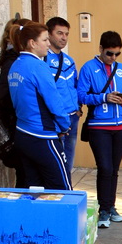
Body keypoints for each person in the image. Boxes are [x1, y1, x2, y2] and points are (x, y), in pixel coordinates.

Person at [77, 31, 122, 228]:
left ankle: (111, 207)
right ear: (101, 49)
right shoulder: (88, 68)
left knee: (114, 169)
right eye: (110, 53)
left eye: (117, 54)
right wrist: (104, 97)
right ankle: (103, 209)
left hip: (121, 125)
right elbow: (81, 95)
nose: (113, 58)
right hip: (99, 126)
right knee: (105, 167)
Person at [7, 21, 72, 190]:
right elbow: (54, 102)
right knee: (63, 189)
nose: (48, 44)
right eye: (45, 40)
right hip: (42, 135)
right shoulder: (38, 67)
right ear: (32, 43)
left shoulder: (15, 65)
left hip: (22, 134)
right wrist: (65, 125)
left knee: (34, 189)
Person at [0, 16, 30, 186]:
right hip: (19, 125)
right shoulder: (13, 62)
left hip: (20, 123)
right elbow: (5, 95)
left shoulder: (15, 60)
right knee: (25, 174)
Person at [45, 17, 80, 173]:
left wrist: (78, 108)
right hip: (56, 118)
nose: (64, 38)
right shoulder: (43, 60)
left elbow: (75, 86)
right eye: (59, 33)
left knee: (69, 157)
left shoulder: (69, 60)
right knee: (57, 159)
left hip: (73, 116)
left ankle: (68, 183)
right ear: (49, 34)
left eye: (66, 34)